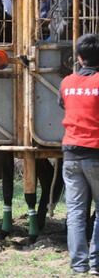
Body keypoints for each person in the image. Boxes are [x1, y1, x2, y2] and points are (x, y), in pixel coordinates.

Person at [59, 33, 99, 274]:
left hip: (71, 154)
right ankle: (97, 264)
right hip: (96, 153)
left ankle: (79, 265)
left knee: (75, 212)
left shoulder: (66, 82)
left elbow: (63, 105)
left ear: (79, 57)